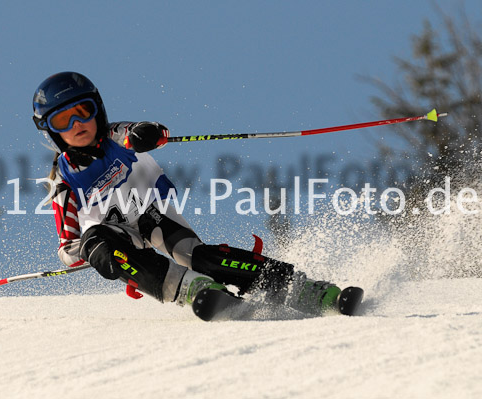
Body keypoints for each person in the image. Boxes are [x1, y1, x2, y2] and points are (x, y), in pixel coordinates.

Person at [32, 71, 348, 315]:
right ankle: (191, 290)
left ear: (97, 110)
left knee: (196, 255)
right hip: (115, 238)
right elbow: (67, 248)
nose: (76, 123)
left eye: (83, 111)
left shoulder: (116, 135)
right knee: (97, 240)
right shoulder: (62, 178)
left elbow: (147, 131)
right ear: (52, 131)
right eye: (62, 120)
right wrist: (90, 253)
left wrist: (149, 133)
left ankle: (305, 290)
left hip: (151, 215)